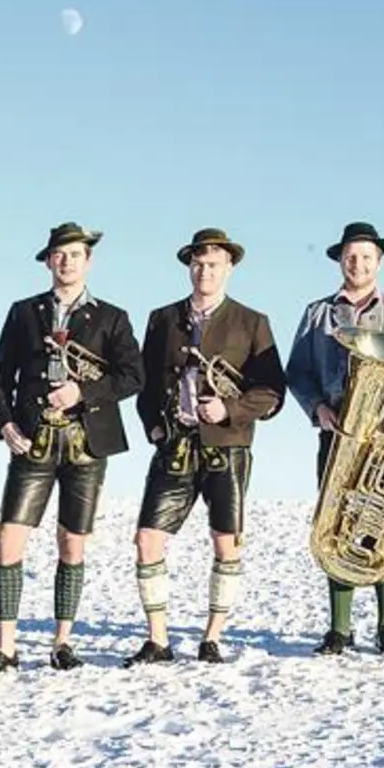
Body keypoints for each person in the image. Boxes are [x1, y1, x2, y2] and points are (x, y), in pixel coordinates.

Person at [0, 221, 143, 673]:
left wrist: (83, 394)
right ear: (48, 261)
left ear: (88, 261)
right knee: (11, 538)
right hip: (32, 440)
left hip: (86, 444)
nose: (66, 261)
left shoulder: (113, 317)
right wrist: (5, 424)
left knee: (72, 542)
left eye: (75, 254)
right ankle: (6, 645)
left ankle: (61, 643)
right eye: (59, 254)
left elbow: (133, 376)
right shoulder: (23, 312)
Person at [124, 229, 284, 666]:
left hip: (227, 446)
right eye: (197, 263)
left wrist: (229, 408)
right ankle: (158, 640)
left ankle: (211, 637)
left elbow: (272, 392)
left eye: (213, 264)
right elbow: (145, 383)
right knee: (147, 538)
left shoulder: (253, 321)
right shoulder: (163, 318)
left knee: (225, 542)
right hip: (174, 445)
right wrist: (154, 428)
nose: (204, 271)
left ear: (229, 267)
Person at [285, 222, 384, 655]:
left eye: (366, 256)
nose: (357, 263)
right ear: (340, 261)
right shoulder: (316, 314)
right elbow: (297, 371)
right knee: (337, 523)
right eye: (350, 256)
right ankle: (339, 629)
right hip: (336, 431)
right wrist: (317, 409)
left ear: (378, 262)